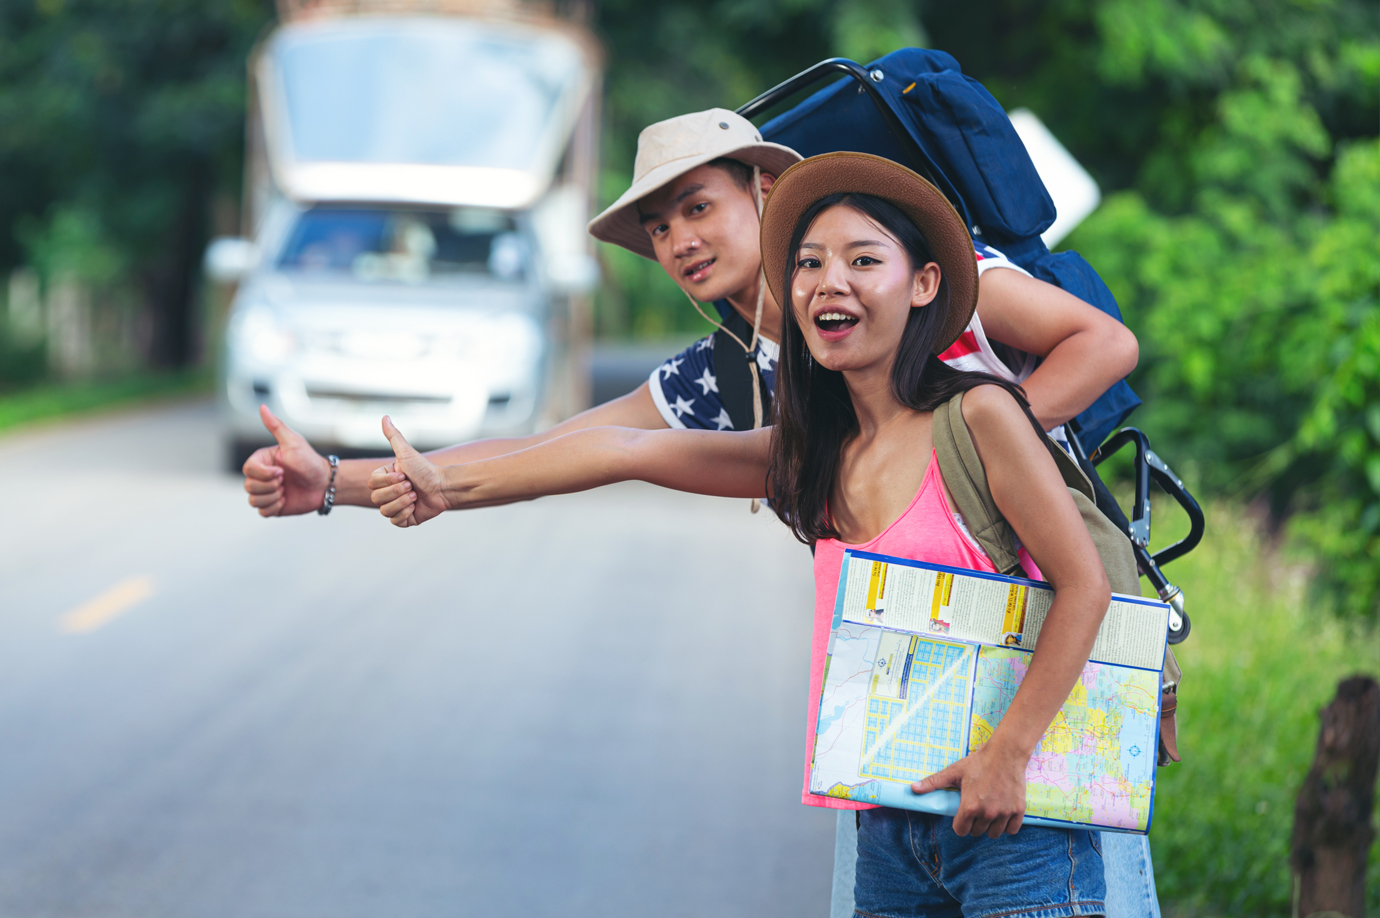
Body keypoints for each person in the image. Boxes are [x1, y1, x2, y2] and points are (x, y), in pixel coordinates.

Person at [239, 109, 1155, 916]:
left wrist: (968, 444)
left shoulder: (920, 279)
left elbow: (1103, 344)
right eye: (659, 224)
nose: (679, 239)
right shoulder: (740, 385)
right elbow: (585, 445)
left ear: (765, 188)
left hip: (1050, 693)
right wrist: (334, 482)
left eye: (698, 206)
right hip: (900, 752)